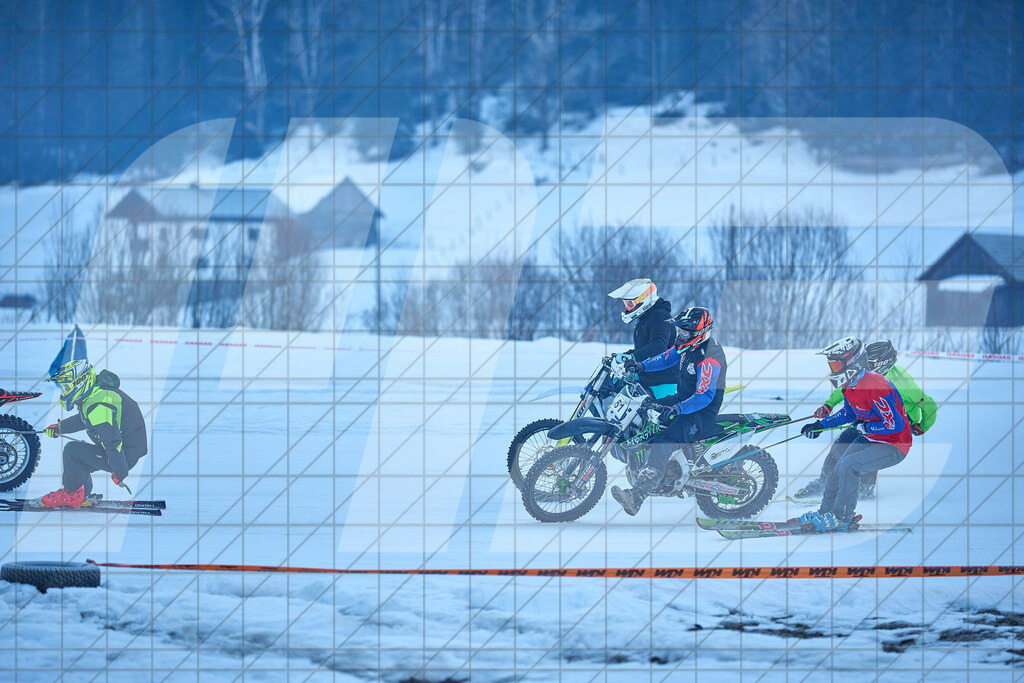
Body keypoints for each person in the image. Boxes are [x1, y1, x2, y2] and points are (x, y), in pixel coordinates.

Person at [611, 306, 725, 515]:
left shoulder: (709, 356)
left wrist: (677, 409)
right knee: (644, 410)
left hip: (700, 411)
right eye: (680, 330)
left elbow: (705, 396)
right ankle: (645, 466)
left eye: (684, 331)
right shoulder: (685, 346)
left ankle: (637, 496)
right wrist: (641, 366)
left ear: (699, 333)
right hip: (682, 399)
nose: (680, 335)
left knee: (664, 441)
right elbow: (667, 357)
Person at [794, 339, 936, 500]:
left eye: (870, 363)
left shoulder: (902, 382)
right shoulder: (863, 378)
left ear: (883, 364)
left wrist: (923, 426)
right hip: (870, 414)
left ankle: (865, 487)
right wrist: (829, 404)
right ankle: (824, 482)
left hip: (898, 422)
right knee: (844, 441)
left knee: (869, 448)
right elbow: (845, 389)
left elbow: (929, 404)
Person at [36, 360, 147, 507]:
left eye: (68, 387)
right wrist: (60, 427)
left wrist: (120, 471)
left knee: (73, 451)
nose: (65, 391)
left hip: (123, 456)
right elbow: (85, 419)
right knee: (79, 453)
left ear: (80, 382)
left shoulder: (98, 404)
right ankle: (80, 492)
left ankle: (71, 495)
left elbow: (112, 442)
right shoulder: (95, 395)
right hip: (123, 451)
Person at [606, 279, 678, 399]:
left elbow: (658, 345)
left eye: (630, 304)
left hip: (662, 379)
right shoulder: (647, 317)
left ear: (643, 300)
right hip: (648, 374)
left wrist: (634, 357)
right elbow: (644, 347)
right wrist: (626, 355)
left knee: (654, 415)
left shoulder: (660, 315)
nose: (627, 308)